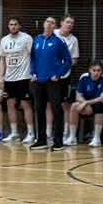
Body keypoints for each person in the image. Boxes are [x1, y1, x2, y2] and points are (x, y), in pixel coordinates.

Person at [29, 16, 72, 150]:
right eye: (47, 22)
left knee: (56, 110)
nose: (49, 24)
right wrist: (33, 73)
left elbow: (68, 61)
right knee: (39, 109)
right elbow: (33, 59)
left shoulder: (58, 42)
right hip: (38, 81)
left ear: (55, 27)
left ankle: (58, 141)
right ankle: (41, 140)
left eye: (52, 23)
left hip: (52, 82)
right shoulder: (37, 40)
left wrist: (58, 74)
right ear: (44, 24)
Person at [0, 16, 33, 143]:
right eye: (11, 24)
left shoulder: (26, 38)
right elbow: (2, 59)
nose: (13, 26)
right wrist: (1, 76)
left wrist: (34, 73)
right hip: (9, 78)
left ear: (19, 26)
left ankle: (30, 133)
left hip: (23, 77)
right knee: (10, 104)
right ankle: (14, 133)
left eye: (15, 24)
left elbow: (33, 56)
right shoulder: (4, 40)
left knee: (25, 104)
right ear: (8, 26)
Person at [72, 62, 103, 145]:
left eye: (99, 70)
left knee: (99, 106)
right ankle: (72, 137)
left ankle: (97, 138)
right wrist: (86, 104)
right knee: (74, 106)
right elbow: (78, 96)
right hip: (88, 105)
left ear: (101, 71)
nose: (96, 73)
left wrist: (86, 103)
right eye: (94, 70)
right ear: (90, 70)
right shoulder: (84, 78)